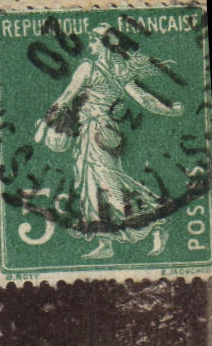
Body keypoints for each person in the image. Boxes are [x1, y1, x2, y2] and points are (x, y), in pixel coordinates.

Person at [35, 25, 182, 258]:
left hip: (94, 133)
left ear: (105, 44)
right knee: (96, 184)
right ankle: (107, 242)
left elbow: (66, 97)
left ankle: (155, 222)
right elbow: (144, 98)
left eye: (94, 40)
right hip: (107, 132)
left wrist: (46, 122)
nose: (91, 44)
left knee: (106, 184)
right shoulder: (120, 72)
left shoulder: (88, 67)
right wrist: (169, 110)